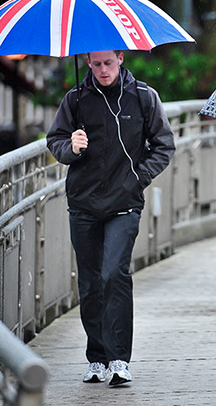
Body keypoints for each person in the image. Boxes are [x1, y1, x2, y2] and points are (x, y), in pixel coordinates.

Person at [46, 50, 176, 386]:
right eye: (97, 64)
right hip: (84, 204)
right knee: (90, 283)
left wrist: (137, 178)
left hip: (124, 203)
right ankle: (97, 357)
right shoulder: (75, 99)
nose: (103, 70)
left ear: (120, 58)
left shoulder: (143, 97)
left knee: (114, 273)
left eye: (109, 63)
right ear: (87, 62)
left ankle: (119, 358)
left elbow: (164, 145)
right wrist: (70, 147)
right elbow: (54, 141)